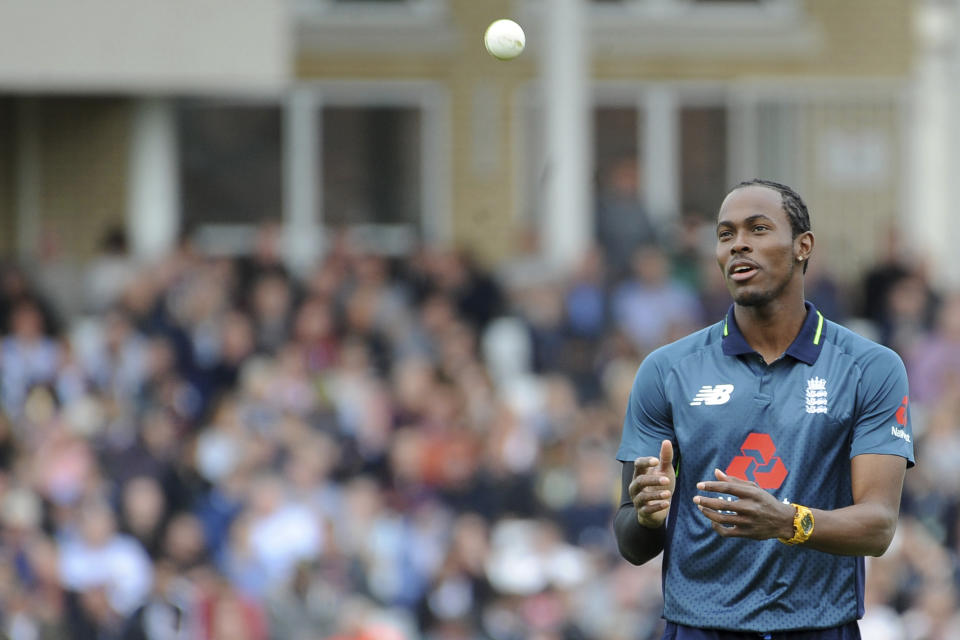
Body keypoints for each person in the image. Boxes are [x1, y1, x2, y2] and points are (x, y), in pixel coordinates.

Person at [613, 179, 915, 639]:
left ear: (802, 246)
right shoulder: (666, 370)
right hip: (699, 628)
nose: (739, 246)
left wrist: (787, 522)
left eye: (757, 229)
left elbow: (878, 527)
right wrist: (648, 516)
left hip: (819, 627)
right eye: (726, 234)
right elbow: (632, 542)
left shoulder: (870, 368)